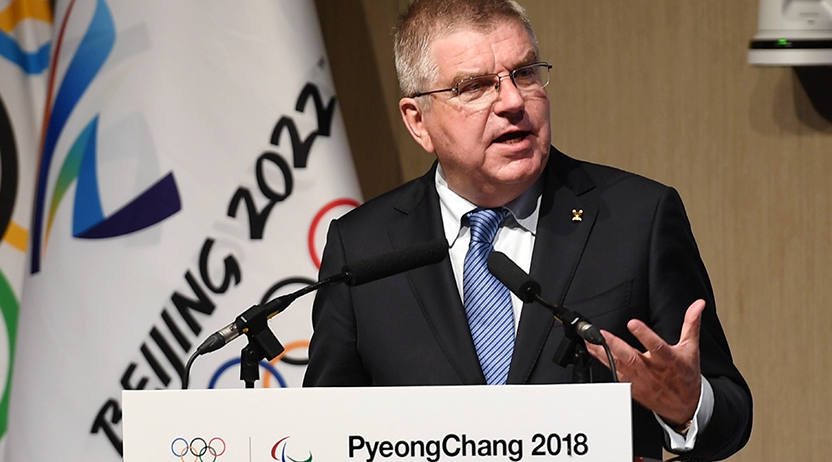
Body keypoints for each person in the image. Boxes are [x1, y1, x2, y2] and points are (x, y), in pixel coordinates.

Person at [303, 0, 752, 460]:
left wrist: (687, 406)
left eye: (526, 73)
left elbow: (731, 416)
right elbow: (321, 431)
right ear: (419, 122)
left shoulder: (637, 218)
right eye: (475, 86)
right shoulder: (362, 247)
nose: (513, 102)